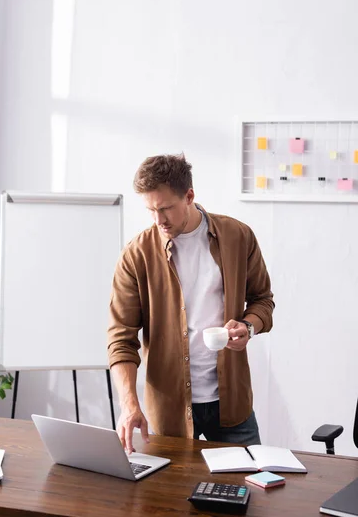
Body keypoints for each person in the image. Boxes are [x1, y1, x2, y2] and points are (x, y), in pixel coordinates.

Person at [108, 153, 274, 454]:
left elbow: (263, 300)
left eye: (165, 208)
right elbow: (121, 338)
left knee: (250, 490)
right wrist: (129, 403)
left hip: (232, 405)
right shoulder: (136, 255)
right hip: (169, 410)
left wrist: (248, 327)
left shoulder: (238, 236)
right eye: (150, 210)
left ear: (189, 196)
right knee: (166, 501)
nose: (159, 220)